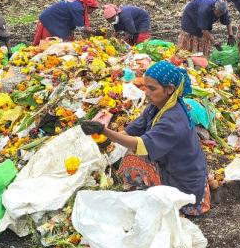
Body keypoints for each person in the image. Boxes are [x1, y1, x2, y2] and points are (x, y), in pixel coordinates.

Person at [81, 61, 210, 216]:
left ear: (170, 89)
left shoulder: (174, 119)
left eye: (152, 88)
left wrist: (105, 131)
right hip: (169, 166)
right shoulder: (155, 107)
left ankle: (175, 202)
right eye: (145, 86)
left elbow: (141, 145)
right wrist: (104, 137)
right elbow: (130, 132)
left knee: (132, 158)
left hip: (184, 182)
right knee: (130, 155)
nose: (146, 92)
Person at [33, 0, 99, 45]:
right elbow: (80, 27)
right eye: (92, 9)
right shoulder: (78, 8)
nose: (91, 12)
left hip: (55, 20)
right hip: (50, 21)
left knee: (65, 41)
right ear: (87, 5)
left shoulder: (77, 4)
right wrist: (95, 32)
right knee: (50, 45)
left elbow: (77, 24)